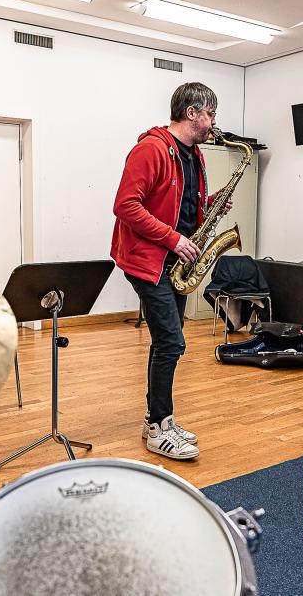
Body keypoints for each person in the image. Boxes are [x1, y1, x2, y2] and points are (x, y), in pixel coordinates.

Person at [110, 82, 228, 460]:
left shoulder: (194, 155)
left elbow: (177, 202)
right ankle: (158, 426)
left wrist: (209, 206)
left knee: (167, 343)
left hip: (176, 261)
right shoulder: (152, 149)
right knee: (173, 342)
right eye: (210, 114)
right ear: (192, 113)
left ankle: (158, 419)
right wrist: (173, 239)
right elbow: (126, 205)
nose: (212, 122)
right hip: (150, 260)